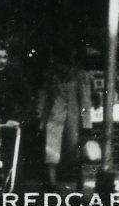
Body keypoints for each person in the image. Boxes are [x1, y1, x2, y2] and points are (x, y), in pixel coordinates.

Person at [37, 49, 93, 189]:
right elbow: (44, 97)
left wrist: (86, 124)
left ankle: (80, 181)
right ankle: (51, 182)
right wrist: (41, 119)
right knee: (51, 149)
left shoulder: (80, 76)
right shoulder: (51, 76)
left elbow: (85, 101)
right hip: (53, 117)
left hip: (73, 119)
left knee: (76, 151)